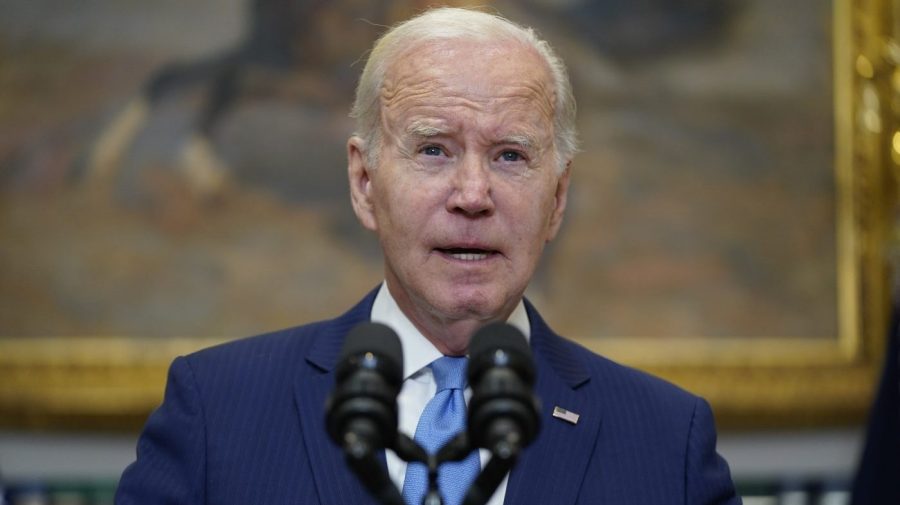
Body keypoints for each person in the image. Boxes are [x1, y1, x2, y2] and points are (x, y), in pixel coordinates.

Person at [116, 7, 741, 505]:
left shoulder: (666, 441)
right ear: (365, 183)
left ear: (557, 199)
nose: (473, 196)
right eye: (434, 150)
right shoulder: (216, 411)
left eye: (511, 156)